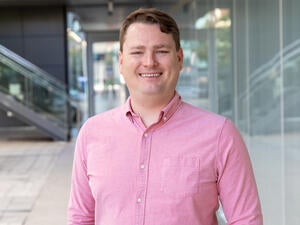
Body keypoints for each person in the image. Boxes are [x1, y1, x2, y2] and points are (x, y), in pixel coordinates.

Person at [68, 8, 263, 225]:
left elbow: (246, 220)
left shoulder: (220, 134)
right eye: (137, 52)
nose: (149, 62)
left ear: (179, 59)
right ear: (121, 62)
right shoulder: (92, 133)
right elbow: (81, 219)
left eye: (161, 50)